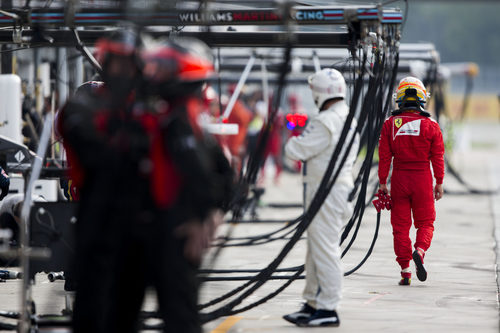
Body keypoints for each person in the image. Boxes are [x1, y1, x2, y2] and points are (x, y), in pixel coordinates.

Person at [61, 31, 233, 333]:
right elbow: (97, 154)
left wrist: (208, 212)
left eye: (134, 64)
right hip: (105, 232)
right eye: (119, 63)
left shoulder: (169, 113)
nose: (128, 72)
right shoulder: (88, 108)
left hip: (160, 231)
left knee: (179, 316)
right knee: (101, 316)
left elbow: (216, 169)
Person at [283, 68, 359, 327]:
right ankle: (312, 303)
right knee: (316, 249)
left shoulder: (325, 120)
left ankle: (328, 308)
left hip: (326, 192)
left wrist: (294, 134)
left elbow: (295, 150)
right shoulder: (346, 116)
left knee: (325, 250)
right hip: (336, 190)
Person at [378, 77, 444, 286]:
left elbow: (384, 156)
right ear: (422, 98)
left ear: (399, 98)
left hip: (399, 179)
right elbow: (438, 157)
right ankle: (420, 251)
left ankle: (405, 270)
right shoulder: (431, 126)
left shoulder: (390, 124)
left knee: (400, 226)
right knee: (426, 222)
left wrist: (382, 183)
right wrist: (439, 182)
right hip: (423, 179)